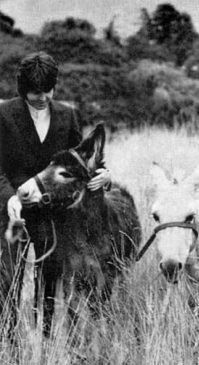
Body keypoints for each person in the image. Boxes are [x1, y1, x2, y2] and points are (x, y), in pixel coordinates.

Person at [0, 51, 111, 334]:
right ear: (22, 88)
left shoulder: (68, 115)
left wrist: (104, 175)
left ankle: (47, 341)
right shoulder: (3, 114)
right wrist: (10, 196)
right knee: (8, 279)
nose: (42, 97)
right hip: (12, 213)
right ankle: (8, 344)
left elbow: (80, 162)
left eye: (47, 90)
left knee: (50, 281)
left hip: (53, 214)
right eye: (35, 92)